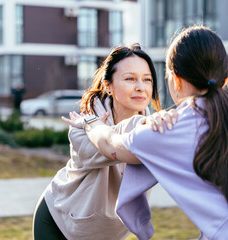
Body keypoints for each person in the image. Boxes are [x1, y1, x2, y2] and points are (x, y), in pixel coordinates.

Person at [64, 25, 228, 240]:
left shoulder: (170, 130)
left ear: (174, 80)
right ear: (226, 77)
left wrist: (90, 123)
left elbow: (111, 146)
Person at [32, 43, 162, 240]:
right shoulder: (82, 127)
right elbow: (115, 144)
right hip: (59, 222)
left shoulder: (153, 126)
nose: (140, 87)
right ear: (108, 86)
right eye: (130, 79)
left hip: (105, 233)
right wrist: (152, 124)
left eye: (147, 80)